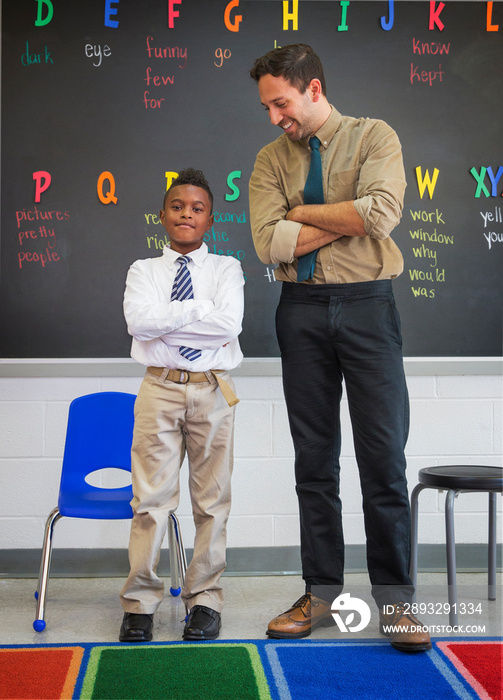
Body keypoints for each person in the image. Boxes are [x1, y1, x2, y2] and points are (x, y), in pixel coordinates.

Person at [248, 44, 431, 652]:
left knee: (384, 457)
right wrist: (333, 220)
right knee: (314, 463)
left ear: (314, 89)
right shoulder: (270, 159)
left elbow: (381, 214)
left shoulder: (376, 137)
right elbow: (269, 244)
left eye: (281, 103)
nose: (275, 117)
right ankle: (320, 592)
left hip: (368, 307)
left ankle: (397, 602)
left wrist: (301, 217)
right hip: (299, 313)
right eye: (269, 107)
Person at [119, 168, 244, 642]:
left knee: (212, 502)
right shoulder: (142, 270)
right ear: (162, 215)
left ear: (210, 218)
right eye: (177, 206)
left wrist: (166, 322)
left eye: (197, 208)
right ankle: (140, 603)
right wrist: (197, 309)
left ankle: (205, 600)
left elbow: (227, 327)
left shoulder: (226, 269)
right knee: (149, 500)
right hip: (159, 388)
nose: (186, 214)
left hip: (214, 389)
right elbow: (138, 322)